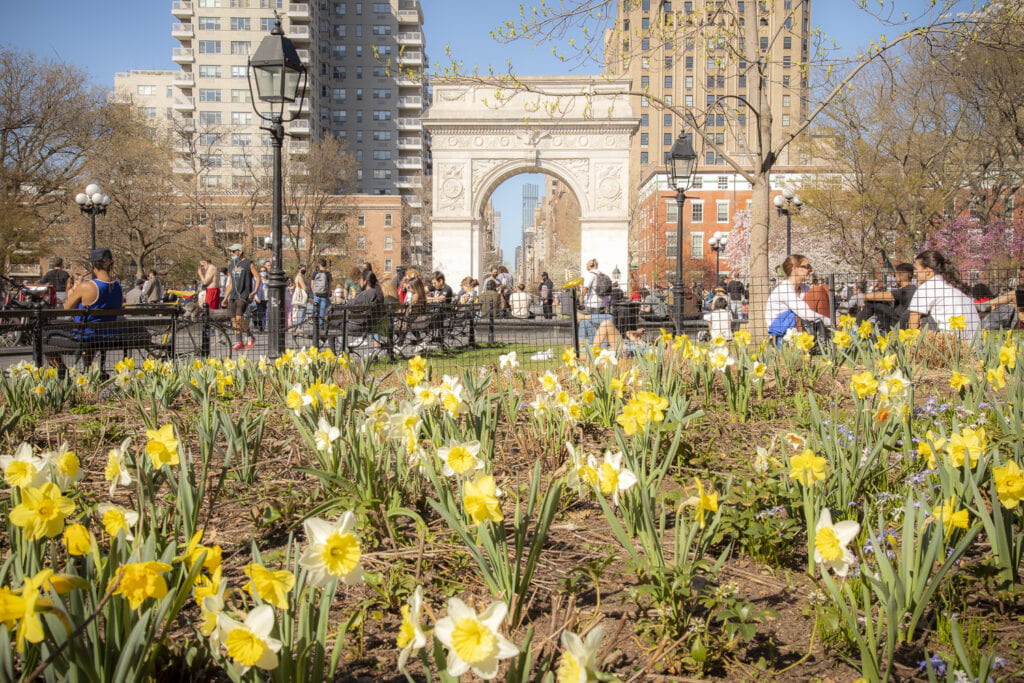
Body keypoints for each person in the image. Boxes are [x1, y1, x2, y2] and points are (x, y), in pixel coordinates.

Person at [46, 248, 128, 376]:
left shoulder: (88, 286)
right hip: (108, 333)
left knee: (45, 337)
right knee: (91, 328)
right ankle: (89, 370)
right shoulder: (117, 286)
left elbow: (67, 308)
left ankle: (63, 371)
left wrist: (75, 287)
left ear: (93, 265)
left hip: (86, 335)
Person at [906, 249, 980, 341]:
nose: (915, 273)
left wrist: (910, 343)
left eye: (917, 270)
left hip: (950, 343)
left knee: (916, 314)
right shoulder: (954, 286)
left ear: (927, 271)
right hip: (973, 343)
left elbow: (914, 320)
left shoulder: (927, 287)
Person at [765, 254, 831, 341]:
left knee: (825, 288)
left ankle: (825, 336)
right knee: (818, 290)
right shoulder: (784, 289)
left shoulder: (804, 288)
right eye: (807, 267)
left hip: (801, 324)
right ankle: (828, 335)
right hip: (785, 332)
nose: (810, 270)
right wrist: (832, 322)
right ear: (794, 269)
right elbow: (806, 314)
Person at [855, 263, 916, 333]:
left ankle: (856, 327)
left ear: (900, 277)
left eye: (894, 275)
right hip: (902, 320)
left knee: (872, 302)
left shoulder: (905, 291)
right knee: (876, 301)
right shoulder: (913, 289)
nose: (894, 278)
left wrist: (865, 299)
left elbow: (870, 296)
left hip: (897, 324)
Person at [223, 243, 259, 350]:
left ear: (240, 251)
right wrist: (225, 298)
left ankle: (249, 336)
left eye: (233, 251)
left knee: (239, 318)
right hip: (233, 295)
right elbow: (230, 284)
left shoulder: (248, 263)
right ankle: (239, 341)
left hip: (244, 294)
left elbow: (257, 277)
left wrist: (254, 291)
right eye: (230, 251)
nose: (231, 254)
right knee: (233, 320)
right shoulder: (231, 266)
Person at [578, 258, 611, 344]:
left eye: (587, 264)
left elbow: (586, 288)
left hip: (591, 305)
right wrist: (606, 304)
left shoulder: (590, 275)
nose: (586, 265)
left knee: (588, 323)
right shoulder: (604, 275)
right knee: (600, 325)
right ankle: (601, 343)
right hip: (602, 305)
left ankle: (592, 343)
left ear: (591, 265)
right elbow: (608, 293)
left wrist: (581, 298)